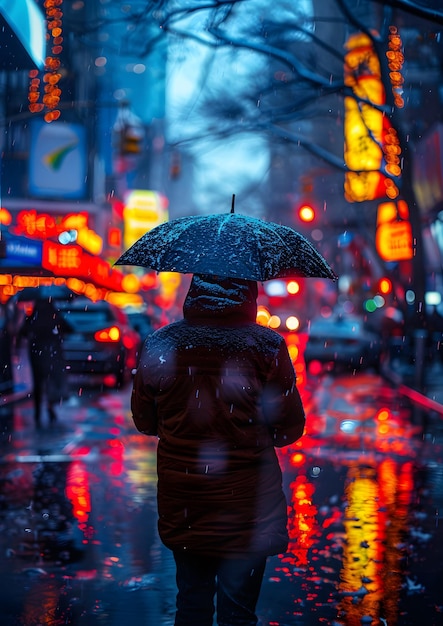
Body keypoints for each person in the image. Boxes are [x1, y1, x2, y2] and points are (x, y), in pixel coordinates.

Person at [131, 274, 306, 626]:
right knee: (238, 612)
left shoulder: (161, 344)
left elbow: (144, 421)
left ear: (194, 292)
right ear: (249, 293)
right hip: (248, 507)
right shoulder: (267, 347)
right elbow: (290, 428)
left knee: (192, 604)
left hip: (186, 504)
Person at [21, 298, 70, 427]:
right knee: (50, 380)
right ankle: (49, 407)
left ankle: (37, 412)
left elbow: (23, 332)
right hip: (51, 353)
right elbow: (68, 327)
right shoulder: (53, 315)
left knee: (38, 383)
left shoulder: (34, 317)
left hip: (36, 354)